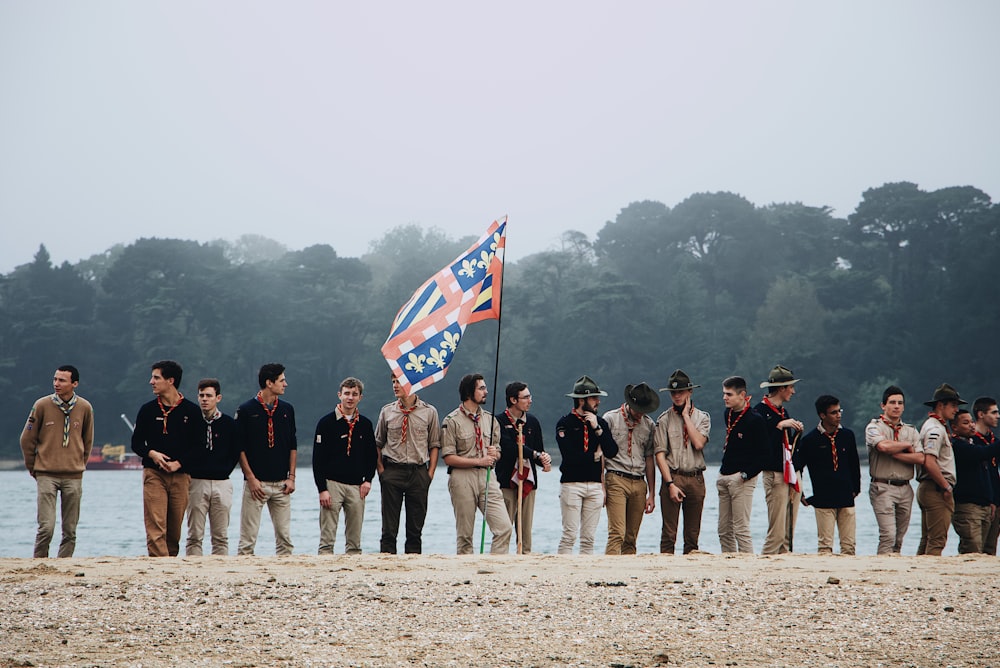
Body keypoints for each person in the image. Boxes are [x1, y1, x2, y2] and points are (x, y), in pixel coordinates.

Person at [20, 365, 94, 558]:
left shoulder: (85, 407)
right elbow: (27, 439)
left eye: (62, 380)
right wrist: (32, 466)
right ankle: (39, 562)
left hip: (74, 475)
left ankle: (64, 564)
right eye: (55, 379)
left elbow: (87, 440)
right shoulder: (42, 405)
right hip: (46, 473)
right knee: (46, 526)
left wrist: (80, 463)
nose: (56, 384)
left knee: (70, 529)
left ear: (74, 384)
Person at [131, 360, 202, 557]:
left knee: (174, 529)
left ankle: (170, 564)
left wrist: (179, 463)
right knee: (156, 523)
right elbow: (136, 443)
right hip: (154, 474)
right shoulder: (147, 410)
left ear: (170, 381)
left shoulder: (192, 411)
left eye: (156, 378)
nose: (151, 382)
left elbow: (199, 446)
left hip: (181, 476)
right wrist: (151, 454)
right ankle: (158, 564)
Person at [440, 373, 512, 554]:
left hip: (488, 477)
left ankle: (493, 569)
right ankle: (468, 574)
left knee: (504, 527)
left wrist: (496, 454)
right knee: (465, 535)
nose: (486, 392)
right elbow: (448, 457)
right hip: (462, 478)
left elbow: (498, 451)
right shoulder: (452, 421)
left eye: (485, 388)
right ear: (468, 392)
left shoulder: (491, 420)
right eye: (481, 388)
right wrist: (478, 460)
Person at [374, 374, 441, 554]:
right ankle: (387, 565)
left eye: (399, 382)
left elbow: (435, 444)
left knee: (415, 528)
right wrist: (381, 471)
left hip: (418, 472)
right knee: (388, 528)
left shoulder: (429, 412)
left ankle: (413, 565)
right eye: (393, 382)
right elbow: (378, 443)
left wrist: (430, 473)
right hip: (392, 471)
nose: (395, 386)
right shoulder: (387, 411)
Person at [236, 363, 297, 556]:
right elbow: (239, 448)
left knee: (285, 539)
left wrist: (292, 477)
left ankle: (287, 576)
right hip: (256, 484)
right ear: (269, 383)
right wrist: (251, 479)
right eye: (282, 380)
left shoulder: (287, 409)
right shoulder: (246, 410)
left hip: (282, 483)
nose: (285, 384)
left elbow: (292, 445)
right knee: (248, 539)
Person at [312, 377, 377, 555]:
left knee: (355, 539)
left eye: (354, 394)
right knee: (327, 537)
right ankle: (325, 565)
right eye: (347, 393)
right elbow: (317, 459)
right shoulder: (326, 423)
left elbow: (372, 455)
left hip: (357, 485)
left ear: (360, 397)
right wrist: (322, 489)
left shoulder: (365, 424)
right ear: (339, 395)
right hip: (332, 484)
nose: (350, 398)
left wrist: (368, 480)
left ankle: (353, 567)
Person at [556, 376, 619, 554]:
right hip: (571, 484)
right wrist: (593, 456)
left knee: (589, 538)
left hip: (595, 485)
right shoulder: (564, 424)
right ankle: (561, 572)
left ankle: (584, 574)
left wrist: (597, 428)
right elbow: (570, 457)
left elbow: (612, 451)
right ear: (581, 400)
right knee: (569, 535)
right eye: (594, 398)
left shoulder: (601, 423)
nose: (598, 401)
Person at [794, 395, 861, 555]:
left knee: (849, 545)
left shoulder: (847, 436)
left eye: (839, 411)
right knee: (825, 546)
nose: (838, 415)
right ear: (822, 415)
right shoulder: (810, 440)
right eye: (833, 412)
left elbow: (854, 464)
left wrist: (856, 488)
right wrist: (801, 493)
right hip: (823, 498)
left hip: (846, 495)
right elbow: (797, 467)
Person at [653, 369, 710, 554]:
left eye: (681, 392)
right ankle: (665, 569)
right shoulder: (663, 419)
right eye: (673, 393)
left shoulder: (702, 417)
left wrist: (686, 416)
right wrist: (669, 483)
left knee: (692, 534)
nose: (677, 396)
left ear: (689, 392)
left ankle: (690, 570)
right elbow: (660, 454)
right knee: (669, 533)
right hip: (673, 476)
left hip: (695, 478)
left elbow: (699, 443)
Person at [864, 385, 923, 555]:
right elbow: (882, 447)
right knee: (888, 535)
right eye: (892, 402)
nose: (896, 406)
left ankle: (895, 566)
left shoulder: (910, 430)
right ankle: (882, 566)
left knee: (899, 537)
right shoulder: (874, 427)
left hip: (905, 487)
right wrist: (906, 446)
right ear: (883, 405)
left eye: (900, 403)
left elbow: (920, 458)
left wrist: (894, 452)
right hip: (883, 486)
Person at [603, 383, 660, 555]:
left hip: (639, 482)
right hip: (616, 478)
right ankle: (610, 568)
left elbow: (649, 458)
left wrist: (651, 493)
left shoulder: (649, 425)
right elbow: (601, 455)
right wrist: (602, 486)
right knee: (617, 533)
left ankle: (627, 570)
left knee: (631, 536)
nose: (640, 414)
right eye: (638, 409)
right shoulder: (610, 419)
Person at [184, 378, 240, 556]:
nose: (204, 399)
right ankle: (193, 568)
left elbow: (235, 451)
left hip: (222, 482)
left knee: (221, 536)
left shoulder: (229, 424)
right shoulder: (192, 422)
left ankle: (220, 569)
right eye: (201, 395)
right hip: (196, 481)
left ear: (218, 398)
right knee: (194, 534)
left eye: (209, 395)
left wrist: (224, 469)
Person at [496, 381, 551, 553]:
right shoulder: (499, 421)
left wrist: (544, 458)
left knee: (525, 528)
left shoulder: (532, 422)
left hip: (528, 481)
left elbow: (538, 450)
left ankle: (525, 556)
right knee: (504, 527)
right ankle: (501, 557)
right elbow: (509, 448)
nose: (530, 400)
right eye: (525, 397)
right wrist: (535, 454)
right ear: (513, 400)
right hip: (506, 481)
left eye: (530, 396)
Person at [755, 365, 805, 554]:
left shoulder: (783, 412)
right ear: (782, 388)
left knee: (788, 526)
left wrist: (794, 430)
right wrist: (777, 427)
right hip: (774, 474)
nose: (793, 391)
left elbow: (788, 447)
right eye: (790, 387)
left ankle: (785, 557)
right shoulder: (759, 412)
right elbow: (761, 445)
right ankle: (767, 557)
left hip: (789, 472)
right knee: (776, 526)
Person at [717, 376, 767, 553]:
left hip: (742, 478)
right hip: (724, 474)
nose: (725, 397)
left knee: (741, 528)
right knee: (723, 530)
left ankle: (747, 563)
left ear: (742, 395)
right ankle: (729, 561)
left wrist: (745, 475)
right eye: (724, 394)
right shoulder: (728, 413)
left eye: (729, 394)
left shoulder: (755, 420)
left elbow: (764, 455)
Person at [915, 383, 964, 556]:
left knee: (927, 538)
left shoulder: (936, 426)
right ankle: (928, 576)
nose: (956, 410)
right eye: (953, 405)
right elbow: (929, 462)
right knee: (937, 540)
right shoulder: (935, 429)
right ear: (941, 405)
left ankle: (919, 571)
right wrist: (946, 486)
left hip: (932, 487)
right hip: (936, 488)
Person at [950, 408, 1000, 554]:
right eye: (966, 423)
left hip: (984, 504)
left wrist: (992, 499)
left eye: (972, 421)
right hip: (967, 506)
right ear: (954, 427)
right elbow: (982, 453)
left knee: (987, 549)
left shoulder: (972, 443)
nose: (972, 425)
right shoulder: (958, 445)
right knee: (972, 548)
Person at [971, 397, 1000, 554]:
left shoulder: (994, 440)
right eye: (994, 412)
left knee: (990, 547)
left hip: (996, 498)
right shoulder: (971, 441)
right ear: (981, 414)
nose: (998, 416)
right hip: (980, 500)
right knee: (975, 546)